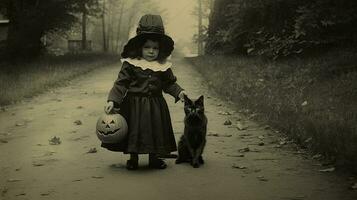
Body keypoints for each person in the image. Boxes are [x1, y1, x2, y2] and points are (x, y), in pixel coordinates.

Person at [102, 14, 186, 170]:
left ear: (160, 49)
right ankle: (133, 159)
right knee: (133, 131)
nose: (151, 51)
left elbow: (169, 83)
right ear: (139, 47)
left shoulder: (163, 65)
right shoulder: (130, 64)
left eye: (155, 48)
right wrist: (112, 100)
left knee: (155, 131)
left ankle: (154, 158)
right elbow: (121, 83)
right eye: (147, 47)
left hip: (155, 105)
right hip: (133, 105)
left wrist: (179, 93)